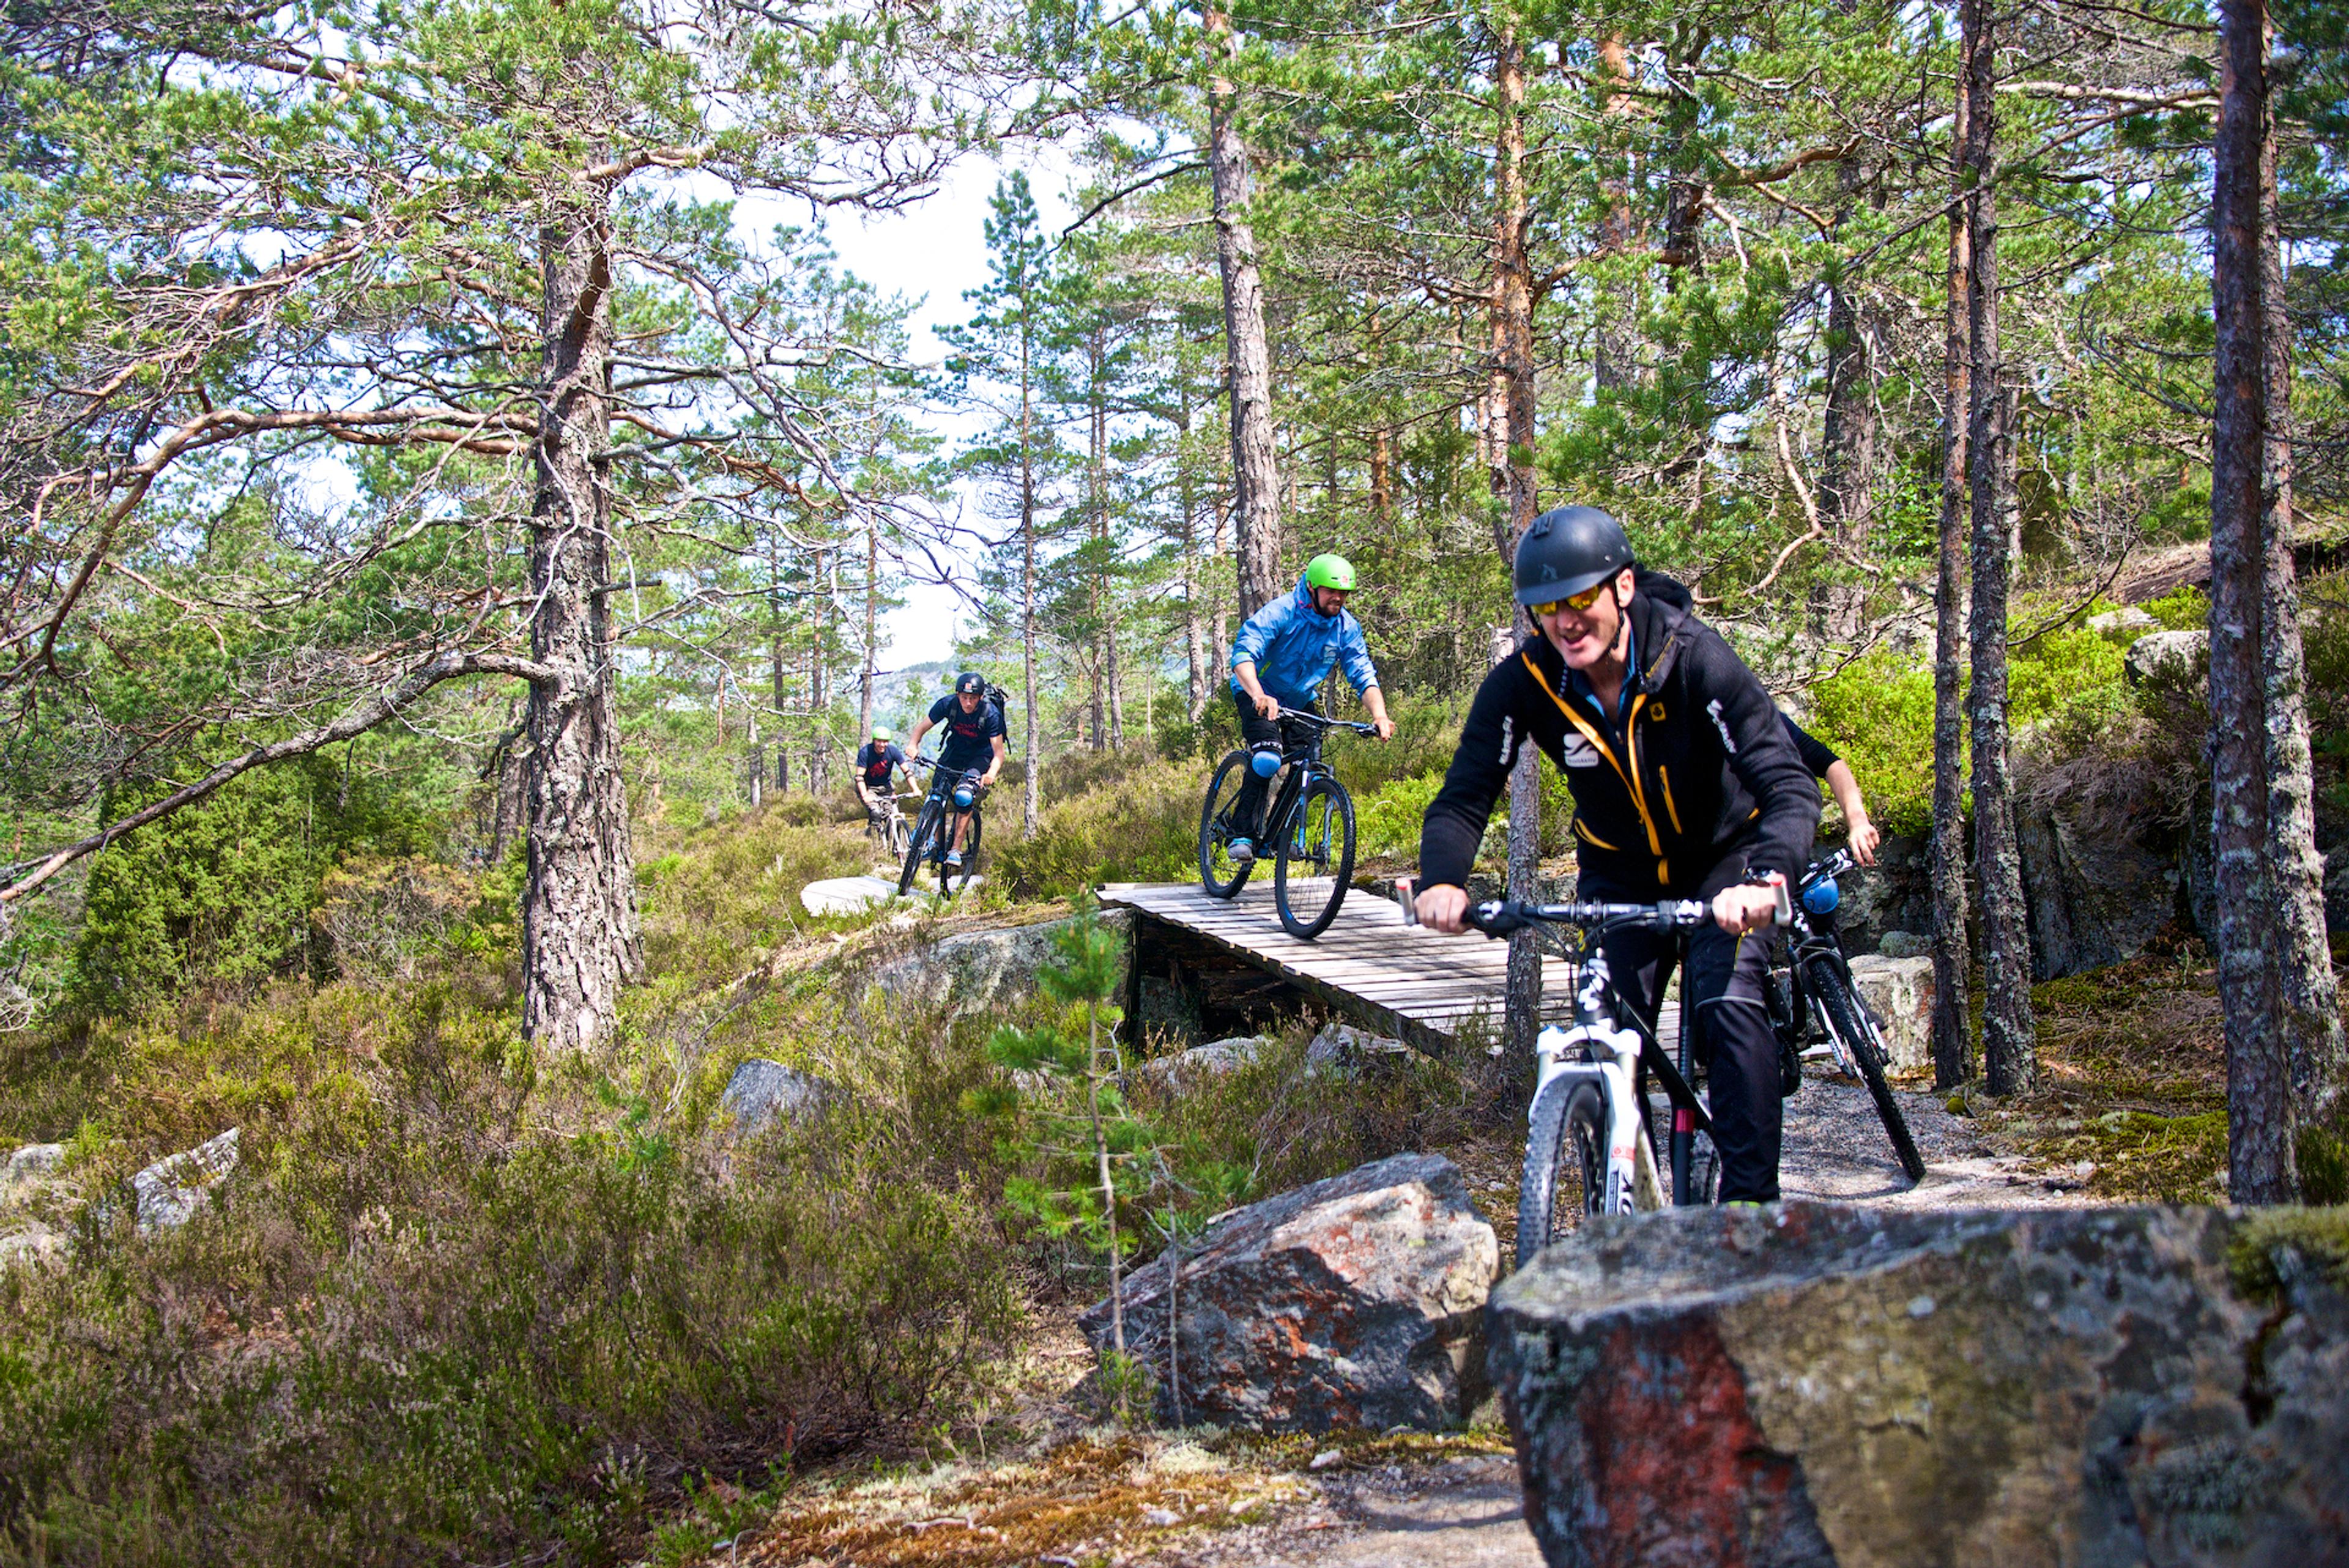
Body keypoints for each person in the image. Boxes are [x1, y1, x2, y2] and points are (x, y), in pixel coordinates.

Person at [1412, 505, 1819, 1204]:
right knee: (1605, 1032)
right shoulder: (1526, 683)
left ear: (1622, 588)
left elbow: (1787, 783)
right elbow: (1464, 794)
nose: (1564, 622)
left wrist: (1765, 877)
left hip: (1725, 863)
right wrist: (1444, 880)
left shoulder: (1695, 658)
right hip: (1618, 872)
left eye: (1578, 600)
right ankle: (1624, 1202)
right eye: (1545, 608)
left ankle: (1752, 1214)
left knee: (1726, 1006)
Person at [1225, 553, 1396, 862]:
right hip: (1258, 692)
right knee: (1266, 759)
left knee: (1308, 763)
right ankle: (1241, 834)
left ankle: (1279, 836)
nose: (1338, 598)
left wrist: (1379, 715)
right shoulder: (1282, 612)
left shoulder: (1345, 628)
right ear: (1312, 588)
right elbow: (1243, 654)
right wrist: (1259, 694)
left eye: (1344, 593)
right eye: (1332, 591)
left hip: (1300, 699)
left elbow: (1363, 673)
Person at [906, 671, 1007, 868]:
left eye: (973, 699)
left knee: (963, 797)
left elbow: (999, 753)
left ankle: (955, 849)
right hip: (955, 751)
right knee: (938, 791)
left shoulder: (991, 714)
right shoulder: (948, 704)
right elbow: (921, 728)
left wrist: (991, 774)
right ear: (958, 695)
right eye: (964, 697)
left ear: (981, 697)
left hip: (980, 756)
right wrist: (913, 745)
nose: (968, 703)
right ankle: (933, 841)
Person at [1779, 712, 1879, 866]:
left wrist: (1858, 822)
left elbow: (1830, 764)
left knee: (1822, 890)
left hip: (1770, 848)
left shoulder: (1763, 718)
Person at [853, 724, 908, 838]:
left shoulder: (893, 751)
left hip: (886, 788)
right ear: (874, 741)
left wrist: (916, 789)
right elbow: (859, 777)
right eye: (880, 741)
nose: (883, 745)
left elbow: (907, 772)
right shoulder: (865, 752)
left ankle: (894, 847)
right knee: (876, 813)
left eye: (885, 742)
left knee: (891, 816)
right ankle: (872, 838)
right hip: (869, 788)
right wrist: (865, 795)